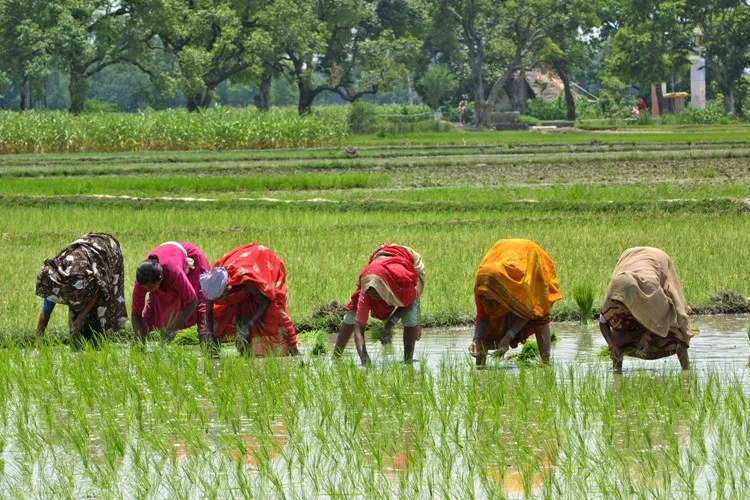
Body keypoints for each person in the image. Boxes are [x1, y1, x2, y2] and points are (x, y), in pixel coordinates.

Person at [469, 239, 562, 366]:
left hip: (530, 261)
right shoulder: (481, 288)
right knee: (490, 325)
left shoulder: (515, 287)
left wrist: (508, 336)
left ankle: (545, 364)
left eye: (489, 294)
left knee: (538, 314)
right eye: (483, 293)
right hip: (502, 255)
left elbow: (526, 312)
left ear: (499, 290)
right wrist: (476, 339)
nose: (485, 296)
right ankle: (480, 369)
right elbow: (482, 318)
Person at [599, 247, 693, 372]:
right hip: (629, 259)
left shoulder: (650, 291)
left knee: (678, 338)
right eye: (618, 303)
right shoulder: (614, 293)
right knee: (617, 341)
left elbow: (663, 315)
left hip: (657, 260)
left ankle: (686, 371)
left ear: (632, 298)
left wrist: (647, 335)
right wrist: (611, 344)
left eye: (623, 304)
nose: (620, 308)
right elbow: (603, 321)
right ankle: (617, 372)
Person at [333, 244, 425, 365]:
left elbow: (409, 301)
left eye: (376, 295)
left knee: (411, 312)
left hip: (407, 264)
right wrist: (364, 358)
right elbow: (358, 328)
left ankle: (408, 361)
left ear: (384, 289)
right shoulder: (367, 291)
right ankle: (335, 358)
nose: (373, 298)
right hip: (375, 270)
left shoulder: (401, 284)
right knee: (352, 314)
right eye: (370, 295)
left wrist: (390, 323)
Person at [199, 244, 298, 356]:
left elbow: (265, 302)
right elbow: (208, 311)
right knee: (218, 315)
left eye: (220, 297)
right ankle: (216, 354)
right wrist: (209, 332)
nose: (219, 301)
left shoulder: (245, 278)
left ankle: (294, 351)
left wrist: (249, 325)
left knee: (274, 314)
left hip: (262, 264)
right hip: (241, 275)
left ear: (227, 287)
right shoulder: (211, 283)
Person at [36, 233, 128, 346]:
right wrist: (38, 339)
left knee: (102, 309)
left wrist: (81, 317)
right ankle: (78, 340)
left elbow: (99, 290)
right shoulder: (54, 283)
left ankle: (100, 339)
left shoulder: (78, 277)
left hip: (106, 251)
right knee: (77, 312)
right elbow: (46, 311)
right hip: (84, 262)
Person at [131, 242, 210, 341]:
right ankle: (140, 345)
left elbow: (193, 301)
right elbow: (136, 314)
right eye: (146, 288)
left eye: (152, 287)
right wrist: (139, 340)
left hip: (192, 259)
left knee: (201, 306)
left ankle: (208, 347)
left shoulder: (173, 271)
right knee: (153, 307)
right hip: (168, 259)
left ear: (161, 278)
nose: (149, 290)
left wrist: (174, 330)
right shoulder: (142, 279)